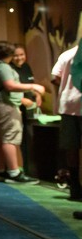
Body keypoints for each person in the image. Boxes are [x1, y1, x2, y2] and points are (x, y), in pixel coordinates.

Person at [0, 41, 45, 184]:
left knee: (1, 138)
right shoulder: (3, 67)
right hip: (6, 105)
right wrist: (33, 86)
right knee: (10, 138)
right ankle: (14, 172)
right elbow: (10, 86)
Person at [51, 41, 82, 203]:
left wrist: (67, 87)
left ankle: (75, 187)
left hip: (67, 105)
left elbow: (55, 77)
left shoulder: (67, 54)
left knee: (72, 147)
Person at [11, 43, 41, 175]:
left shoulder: (26, 67)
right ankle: (16, 170)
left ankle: (32, 170)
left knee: (30, 139)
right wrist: (22, 100)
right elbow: (9, 89)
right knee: (18, 140)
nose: (19, 58)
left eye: (21, 54)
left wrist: (38, 95)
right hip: (15, 109)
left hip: (30, 111)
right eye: (15, 55)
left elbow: (31, 85)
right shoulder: (9, 69)